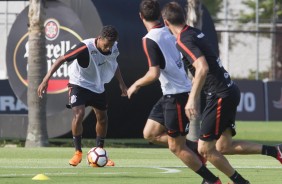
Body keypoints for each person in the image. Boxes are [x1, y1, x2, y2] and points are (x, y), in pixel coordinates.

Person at [161, 2, 282, 184]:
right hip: (228, 90)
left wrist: (192, 99)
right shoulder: (193, 32)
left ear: (165, 22)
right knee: (223, 146)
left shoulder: (182, 40)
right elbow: (203, 67)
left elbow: (202, 68)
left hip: (219, 95)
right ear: (184, 17)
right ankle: (275, 151)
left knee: (205, 149)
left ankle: (239, 182)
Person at [128, 1, 221, 183]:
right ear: (160, 17)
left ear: (141, 17)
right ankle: (194, 148)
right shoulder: (169, 31)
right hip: (171, 93)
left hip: (177, 95)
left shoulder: (149, 39)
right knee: (150, 134)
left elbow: (153, 73)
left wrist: (136, 84)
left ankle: (211, 180)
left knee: (176, 147)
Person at [38, 25, 128, 167]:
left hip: (97, 86)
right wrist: (45, 80)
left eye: (111, 45)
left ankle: (100, 151)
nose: (108, 48)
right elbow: (61, 59)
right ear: (99, 39)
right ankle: (78, 152)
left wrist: (122, 84)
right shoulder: (85, 47)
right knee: (78, 114)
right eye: (106, 45)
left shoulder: (113, 47)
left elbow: (113, 64)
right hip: (79, 84)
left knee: (103, 118)